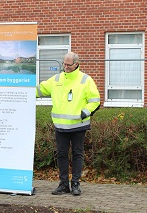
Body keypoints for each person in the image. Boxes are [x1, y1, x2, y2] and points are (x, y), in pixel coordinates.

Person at [36, 52, 100, 196]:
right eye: (64, 64)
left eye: (68, 65)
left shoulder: (85, 80)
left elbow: (95, 100)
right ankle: (63, 184)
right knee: (62, 155)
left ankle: (76, 183)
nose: (65, 67)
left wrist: (86, 112)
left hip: (78, 125)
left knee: (78, 154)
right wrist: (21, 88)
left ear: (76, 64)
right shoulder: (56, 79)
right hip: (60, 126)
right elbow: (39, 89)